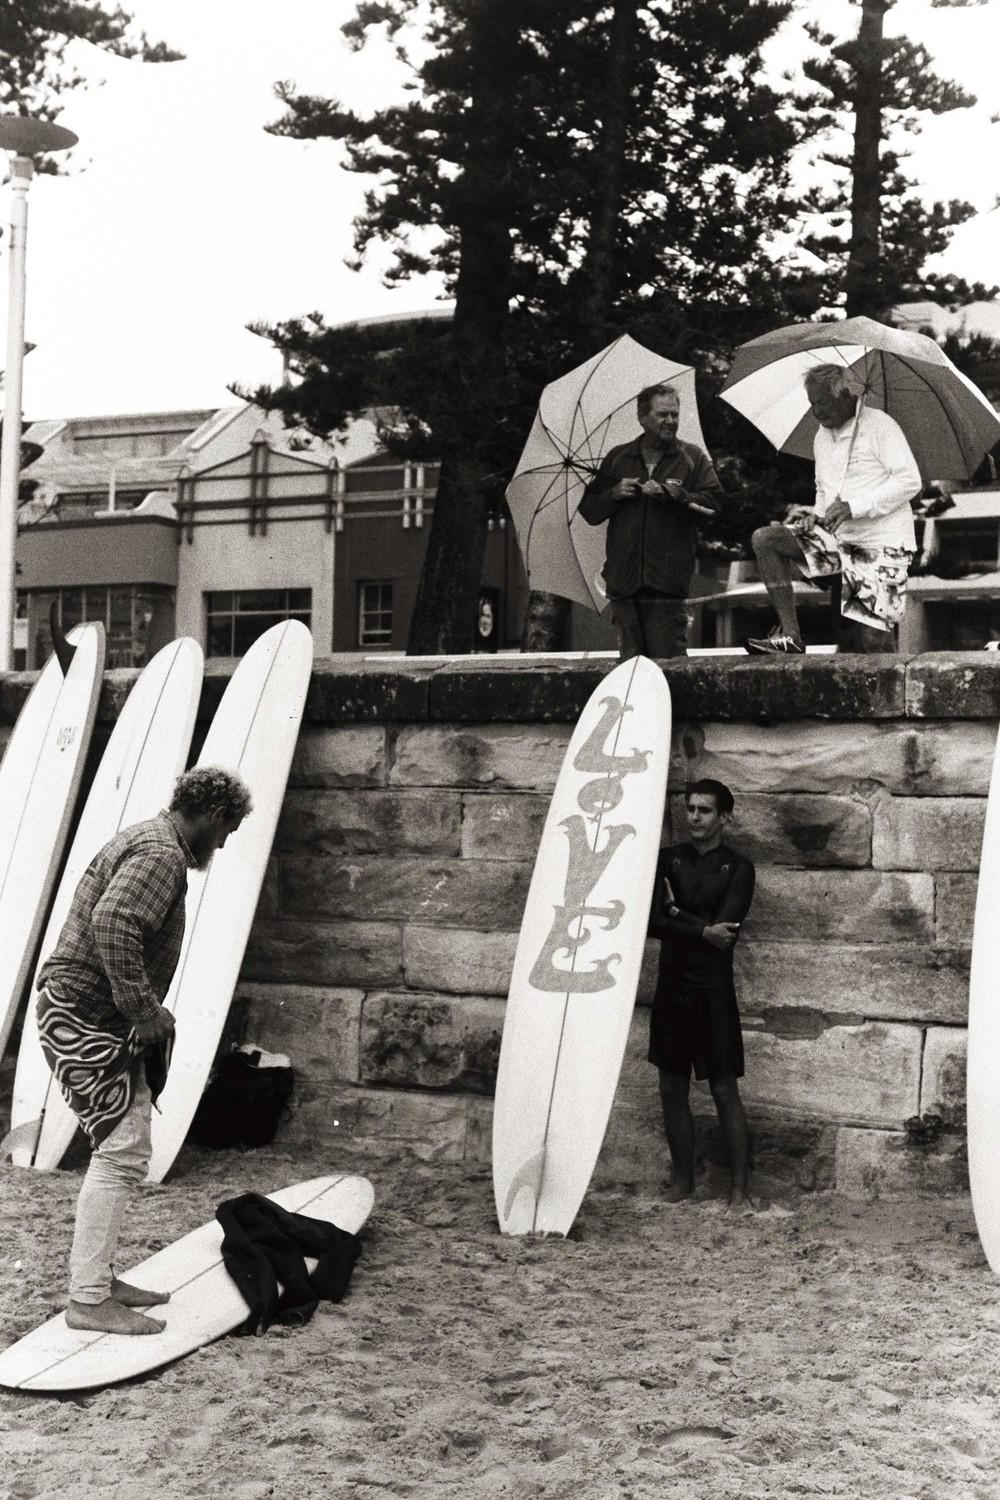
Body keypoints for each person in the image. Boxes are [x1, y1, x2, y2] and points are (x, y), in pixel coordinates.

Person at [36, 766, 252, 1336]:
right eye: (228, 829)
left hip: (84, 1012)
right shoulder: (162, 855)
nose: (225, 843)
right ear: (212, 815)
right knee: (123, 1150)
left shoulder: (145, 839)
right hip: (83, 1017)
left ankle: (99, 1283)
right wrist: (143, 1011)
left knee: (123, 1147)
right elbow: (113, 922)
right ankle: (87, 1300)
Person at [746, 364, 922, 655]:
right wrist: (814, 516)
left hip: (883, 543)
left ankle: (892, 700)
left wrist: (856, 507)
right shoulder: (821, 435)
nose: (816, 411)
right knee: (766, 539)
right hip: (839, 538)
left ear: (845, 395)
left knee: (872, 638)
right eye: (812, 404)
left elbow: (910, 481)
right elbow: (823, 487)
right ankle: (791, 636)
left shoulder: (880, 425)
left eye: (822, 402)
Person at [647, 779, 755, 1213]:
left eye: (704, 810)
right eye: (690, 808)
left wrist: (676, 913)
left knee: (723, 1089)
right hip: (672, 988)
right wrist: (692, 925)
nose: (694, 817)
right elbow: (651, 922)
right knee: (671, 1088)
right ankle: (682, 1181)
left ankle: (740, 1190)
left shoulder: (739, 868)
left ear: (724, 817)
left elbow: (723, 936)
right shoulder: (667, 860)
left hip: (712, 991)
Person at [579, 382, 724, 660]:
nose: (670, 421)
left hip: (667, 584)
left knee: (668, 668)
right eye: (662, 415)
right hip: (623, 583)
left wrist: (671, 493)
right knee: (630, 669)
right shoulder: (618, 457)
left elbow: (714, 505)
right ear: (643, 417)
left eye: (675, 414)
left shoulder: (692, 457)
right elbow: (589, 510)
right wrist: (613, 493)